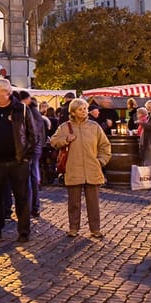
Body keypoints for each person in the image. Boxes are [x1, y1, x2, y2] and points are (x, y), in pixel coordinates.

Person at [0, 77, 39, 243]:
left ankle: (24, 231)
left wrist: (27, 157)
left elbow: (33, 135)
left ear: (6, 92)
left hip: (18, 161)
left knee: (21, 197)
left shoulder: (21, 109)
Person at [51, 99, 112, 238]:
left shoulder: (94, 126)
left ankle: (95, 229)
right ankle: (74, 228)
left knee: (93, 204)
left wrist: (101, 161)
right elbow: (54, 141)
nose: (84, 111)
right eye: (80, 109)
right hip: (73, 169)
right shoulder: (64, 127)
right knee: (74, 203)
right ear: (72, 112)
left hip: (92, 169)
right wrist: (66, 139)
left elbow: (105, 146)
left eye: (85, 108)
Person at [18, 91, 47, 218]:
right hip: (36, 148)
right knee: (33, 176)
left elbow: (31, 133)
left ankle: (31, 207)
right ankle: (33, 207)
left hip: (31, 149)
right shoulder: (34, 111)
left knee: (30, 177)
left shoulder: (29, 111)